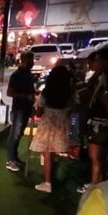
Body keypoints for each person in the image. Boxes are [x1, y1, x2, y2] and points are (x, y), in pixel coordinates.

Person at [79, 47, 108, 193]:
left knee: (95, 157)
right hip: (103, 121)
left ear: (104, 60)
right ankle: (100, 181)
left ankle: (94, 185)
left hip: (100, 122)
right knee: (101, 155)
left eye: (98, 59)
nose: (95, 62)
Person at [30, 65, 75, 193]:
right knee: (54, 152)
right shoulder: (70, 93)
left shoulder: (46, 92)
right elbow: (73, 109)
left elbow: (39, 112)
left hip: (48, 125)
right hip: (61, 126)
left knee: (47, 153)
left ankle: (47, 182)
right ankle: (51, 178)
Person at [5, 51, 36, 172]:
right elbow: (9, 92)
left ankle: (14, 157)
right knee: (15, 134)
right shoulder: (16, 75)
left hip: (26, 109)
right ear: (24, 60)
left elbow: (31, 92)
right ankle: (10, 160)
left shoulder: (29, 75)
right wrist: (25, 96)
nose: (32, 63)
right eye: (30, 60)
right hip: (18, 109)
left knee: (19, 134)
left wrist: (33, 101)